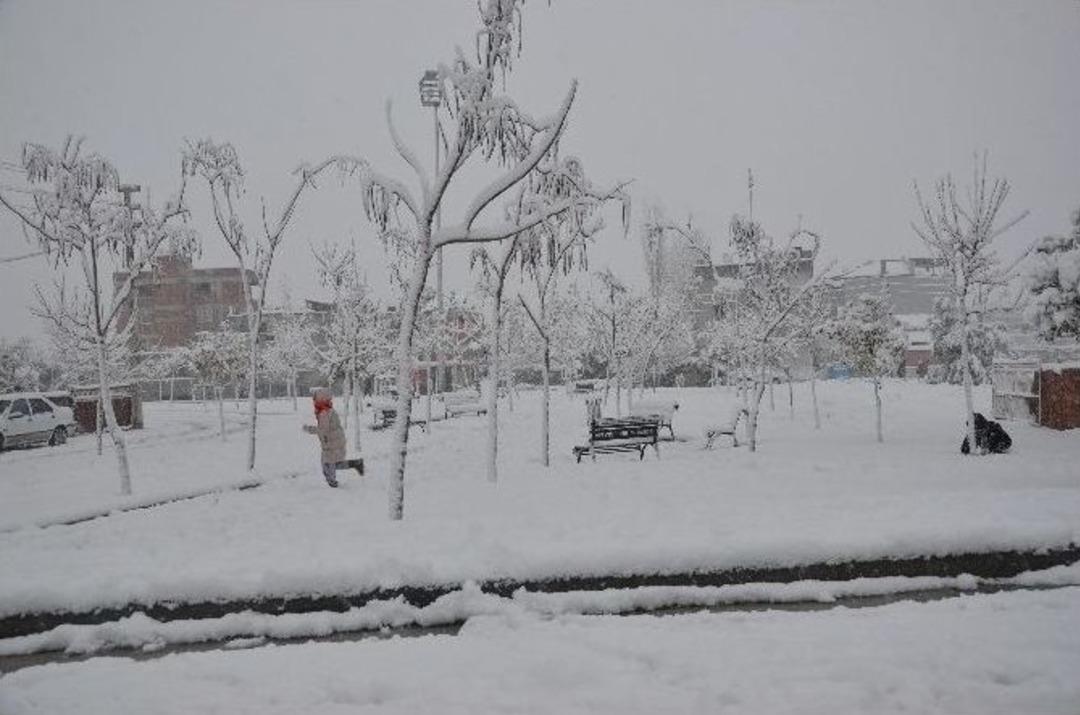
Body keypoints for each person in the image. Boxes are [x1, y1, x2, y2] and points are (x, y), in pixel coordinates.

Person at [302, 387, 363, 487]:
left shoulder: (324, 412)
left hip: (332, 442)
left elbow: (323, 430)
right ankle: (356, 464)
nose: (314, 401)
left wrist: (309, 429)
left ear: (321, 399)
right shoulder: (328, 408)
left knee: (328, 463)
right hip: (335, 440)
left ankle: (332, 483)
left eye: (315, 398)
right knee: (333, 462)